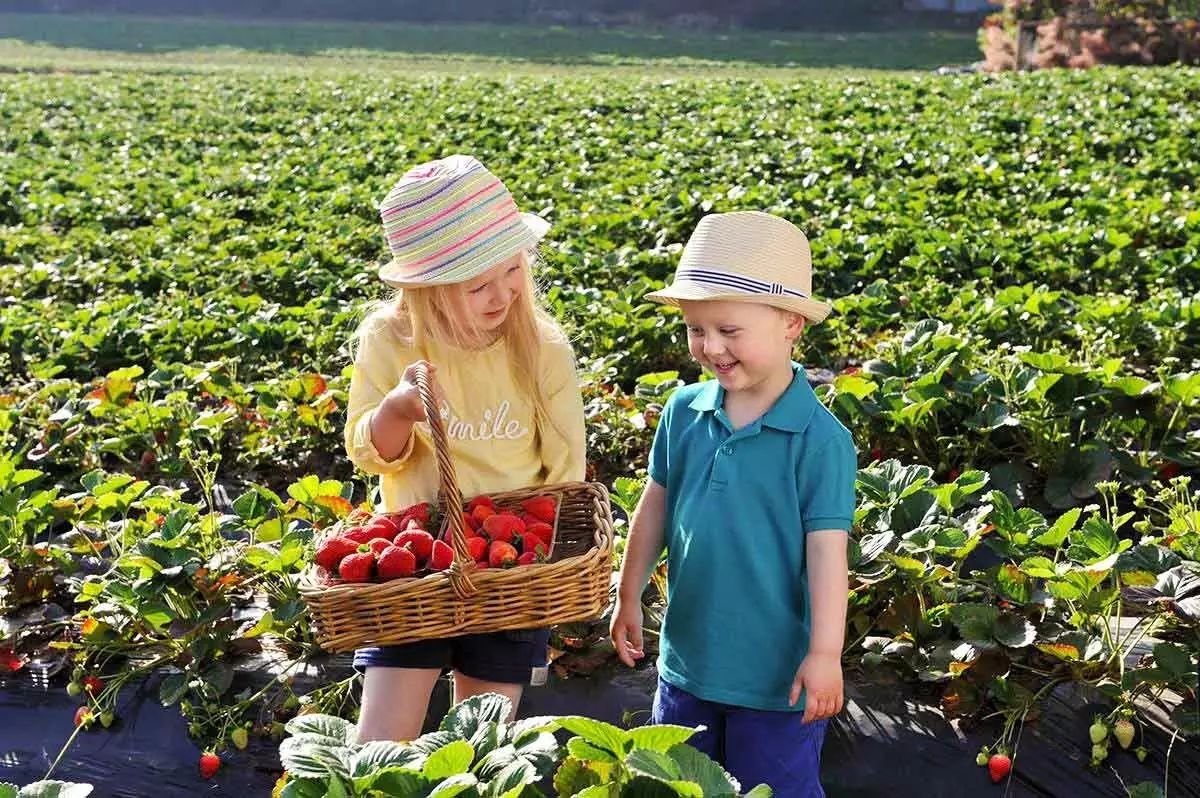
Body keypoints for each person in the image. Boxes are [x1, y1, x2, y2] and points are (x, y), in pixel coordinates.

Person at [610, 211, 856, 797]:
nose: (710, 346)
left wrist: (825, 653)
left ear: (791, 323)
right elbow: (656, 507)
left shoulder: (820, 440)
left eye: (729, 329)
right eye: (697, 329)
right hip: (688, 666)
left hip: (776, 683)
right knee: (673, 788)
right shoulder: (683, 412)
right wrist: (628, 591)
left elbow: (827, 555)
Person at [344, 154, 586, 742]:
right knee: (380, 741)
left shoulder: (542, 347)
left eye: (512, 272)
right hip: (415, 564)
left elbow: (565, 469)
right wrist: (398, 410)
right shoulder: (391, 338)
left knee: (480, 745)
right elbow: (368, 451)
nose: (501, 294)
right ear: (425, 290)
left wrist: (548, 559)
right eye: (478, 285)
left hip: (510, 569)